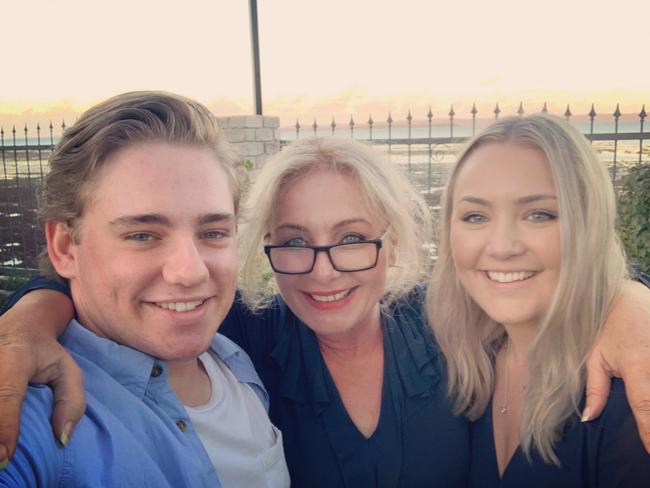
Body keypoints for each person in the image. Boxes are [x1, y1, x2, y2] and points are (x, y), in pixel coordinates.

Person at [2, 133, 650, 486]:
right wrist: (28, 320)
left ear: (391, 239)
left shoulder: (449, 323)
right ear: (265, 247)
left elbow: (542, 285)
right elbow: (110, 293)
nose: (322, 272)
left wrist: (626, 300)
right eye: (293, 243)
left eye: (350, 239)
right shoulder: (246, 332)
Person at [0, 91, 290, 487]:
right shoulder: (34, 411)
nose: (190, 271)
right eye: (142, 235)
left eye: (213, 232)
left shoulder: (237, 356)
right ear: (65, 247)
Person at [428, 113, 650, 486]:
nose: (502, 247)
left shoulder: (625, 395)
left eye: (539, 214)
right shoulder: (467, 360)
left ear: (588, 226)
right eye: (476, 216)